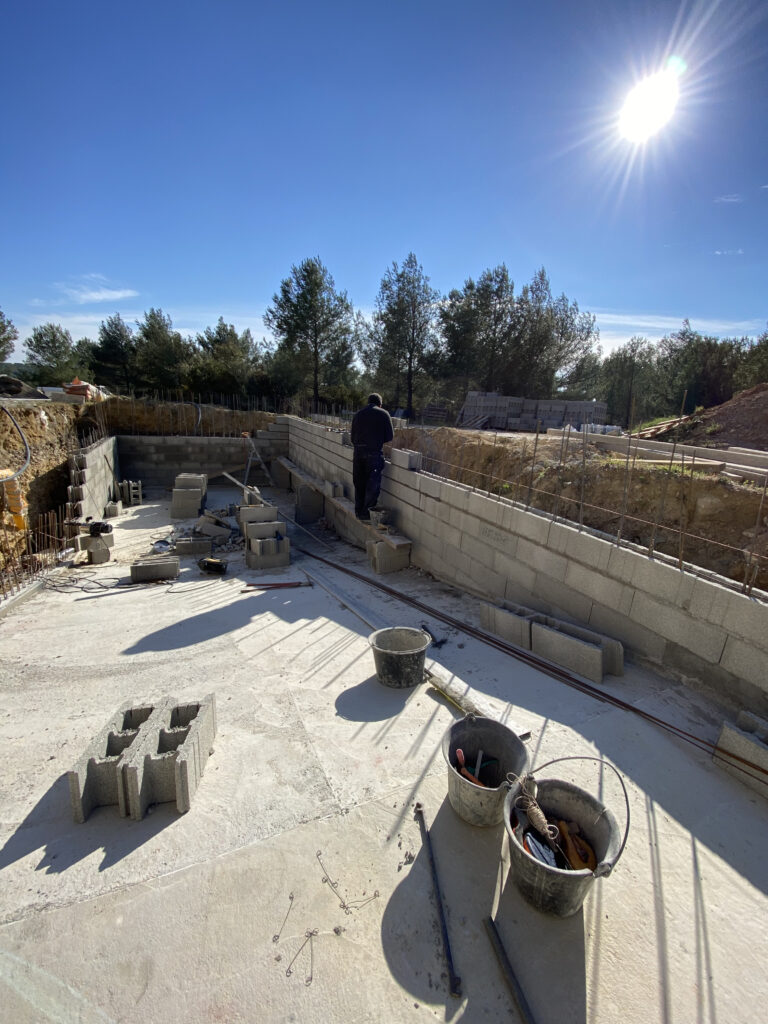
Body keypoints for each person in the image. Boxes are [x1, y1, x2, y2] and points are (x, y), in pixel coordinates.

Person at [350, 393, 394, 520]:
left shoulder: (358, 414)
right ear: (380, 404)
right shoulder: (383, 413)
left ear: (368, 402)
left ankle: (358, 512)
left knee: (359, 483)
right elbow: (389, 437)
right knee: (372, 485)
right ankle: (367, 514)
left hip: (358, 453)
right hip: (374, 454)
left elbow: (353, 437)